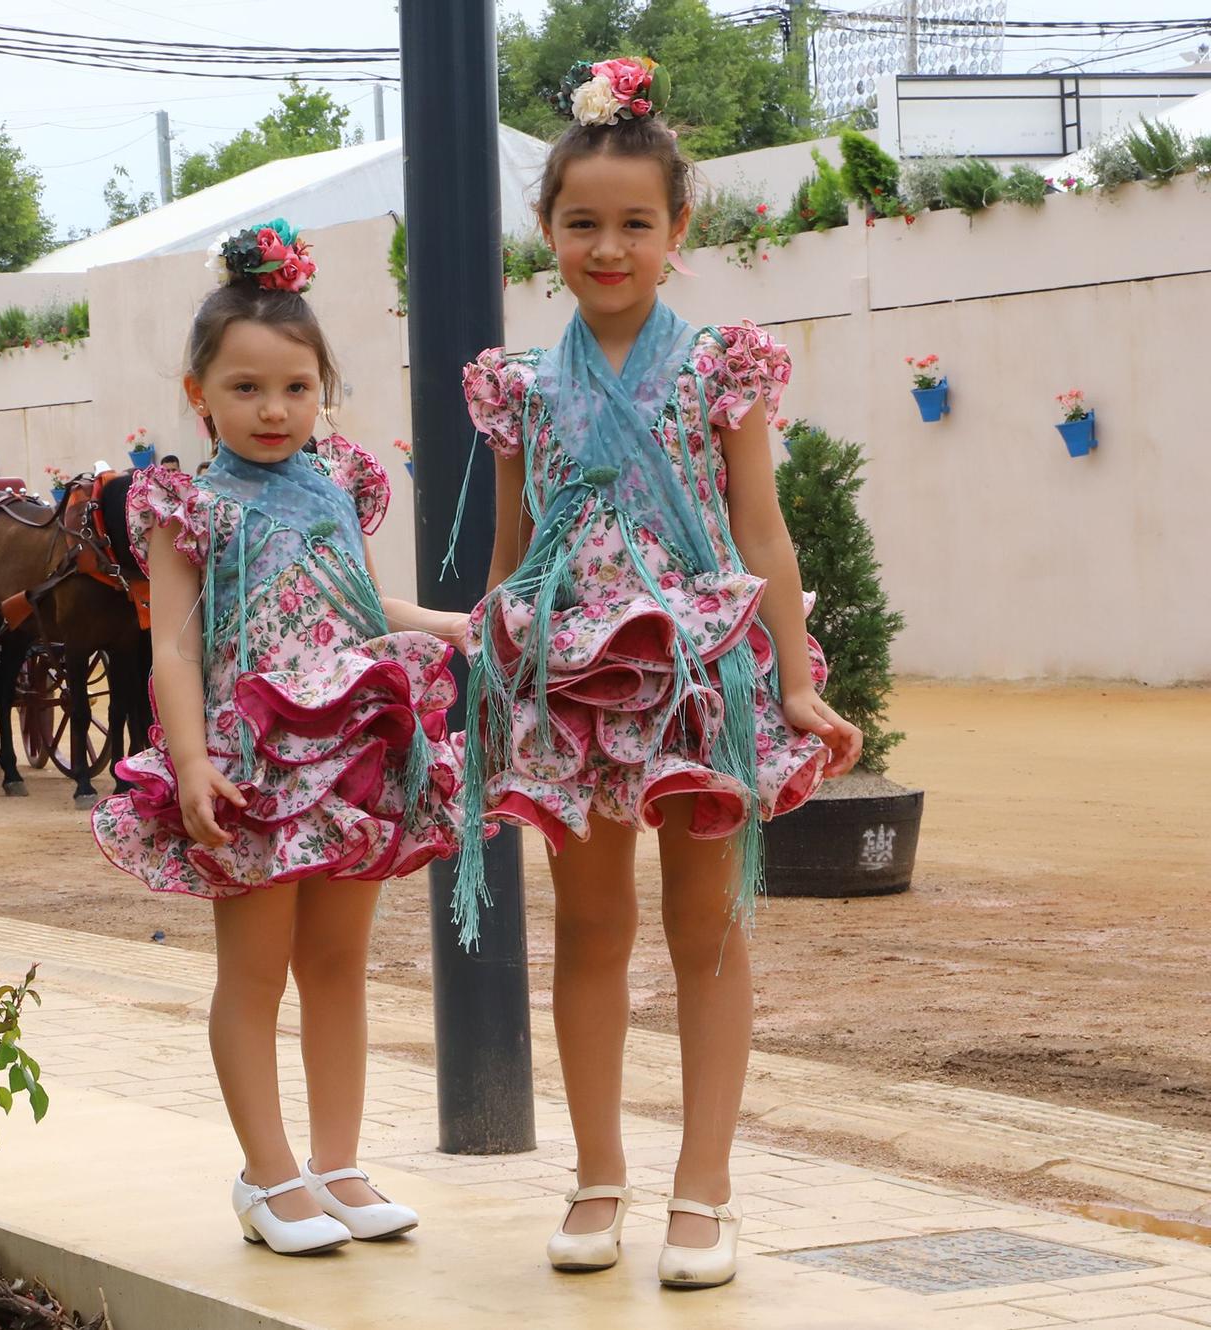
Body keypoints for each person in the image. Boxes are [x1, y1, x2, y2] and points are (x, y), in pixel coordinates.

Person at [457, 59, 862, 1291]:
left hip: (702, 681)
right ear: (547, 234)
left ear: (676, 230)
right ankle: (594, 1174)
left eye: (635, 222)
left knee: (707, 930)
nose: (608, 245)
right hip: (574, 679)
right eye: (581, 223)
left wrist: (791, 683)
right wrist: (492, 679)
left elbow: (763, 533)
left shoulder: (721, 366)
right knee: (587, 926)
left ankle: (704, 1189)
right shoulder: (518, 386)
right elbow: (510, 560)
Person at [91, 220, 472, 1257]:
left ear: (324, 390)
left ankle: (336, 1162)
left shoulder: (339, 483)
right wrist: (193, 761)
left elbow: (344, 594)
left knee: (339, 963)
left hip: (349, 745)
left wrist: (437, 623)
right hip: (251, 760)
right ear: (197, 393)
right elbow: (172, 647)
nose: (273, 409)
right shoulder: (188, 507)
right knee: (253, 971)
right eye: (247, 388)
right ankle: (265, 1177)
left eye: (295, 387)